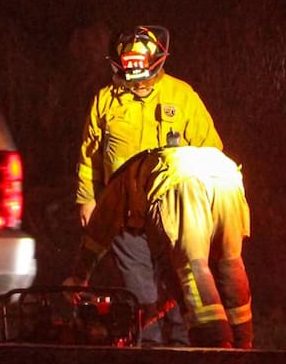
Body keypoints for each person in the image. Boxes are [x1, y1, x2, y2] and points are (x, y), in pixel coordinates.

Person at [75, 25, 222, 345]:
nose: (136, 80)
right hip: (124, 215)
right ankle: (149, 354)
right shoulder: (105, 100)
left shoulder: (182, 96)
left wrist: (209, 205)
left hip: (173, 216)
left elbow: (212, 151)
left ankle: (186, 353)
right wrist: (87, 199)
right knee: (139, 293)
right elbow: (90, 155)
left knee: (180, 288)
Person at [65, 145, 252, 348]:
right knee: (229, 263)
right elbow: (172, 272)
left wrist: (78, 277)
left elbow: (97, 233)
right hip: (227, 177)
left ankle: (216, 347)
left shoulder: (121, 182)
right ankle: (244, 344)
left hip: (181, 182)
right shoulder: (156, 164)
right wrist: (158, 307)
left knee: (193, 267)